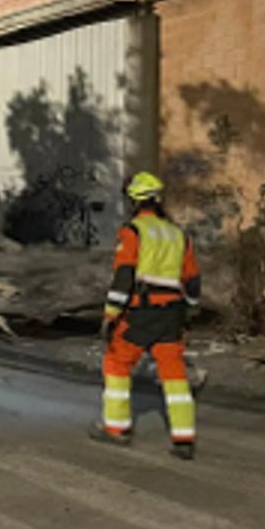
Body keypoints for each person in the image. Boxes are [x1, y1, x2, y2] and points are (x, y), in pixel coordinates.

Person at [90, 171, 201, 460]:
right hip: (171, 313)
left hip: (140, 312)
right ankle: (184, 438)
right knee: (174, 374)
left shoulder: (133, 231)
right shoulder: (179, 234)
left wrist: (110, 315)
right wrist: (188, 311)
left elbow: (124, 276)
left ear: (134, 201)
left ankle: (116, 429)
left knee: (116, 363)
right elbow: (192, 282)